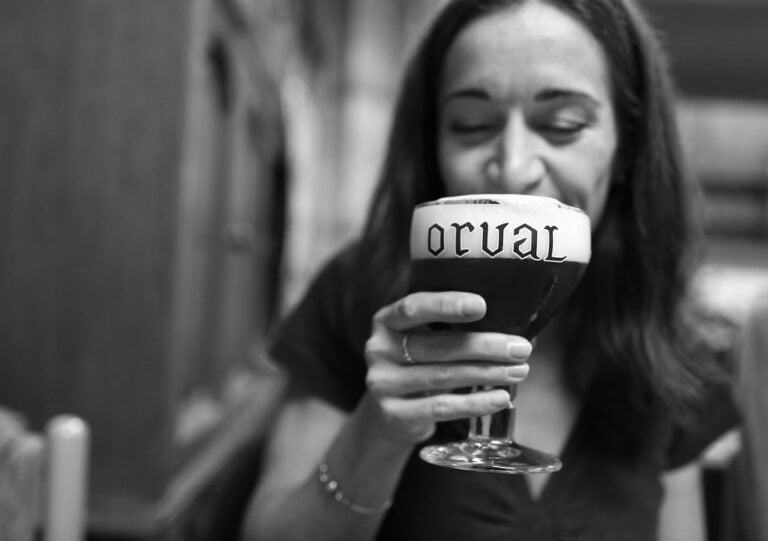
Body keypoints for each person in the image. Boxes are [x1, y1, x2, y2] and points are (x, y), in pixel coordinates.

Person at [241, 0, 740, 539]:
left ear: (626, 149)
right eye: (471, 125)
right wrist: (380, 431)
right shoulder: (357, 291)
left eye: (563, 125)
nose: (514, 167)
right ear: (432, 145)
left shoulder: (671, 344)